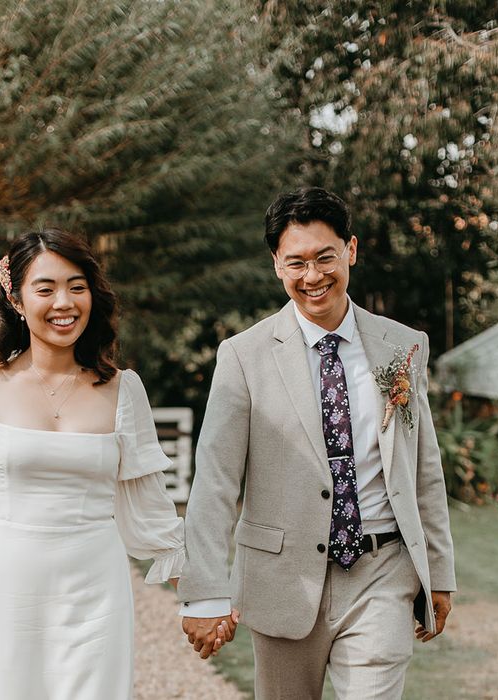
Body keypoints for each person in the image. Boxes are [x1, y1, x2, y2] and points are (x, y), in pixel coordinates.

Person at [177, 187, 456, 699]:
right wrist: (203, 593)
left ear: (350, 250)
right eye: (296, 262)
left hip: (383, 571)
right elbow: (215, 481)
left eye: (325, 257)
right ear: (276, 265)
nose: (313, 276)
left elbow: (424, 467)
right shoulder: (243, 357)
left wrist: (438, 571)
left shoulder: (403, 346)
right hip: (282, 579)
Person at [0, 229, 190, 699]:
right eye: (46, 289)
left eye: (76, 286)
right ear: (17, 299)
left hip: (97, 591)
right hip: (10, 586)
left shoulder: (124, 390)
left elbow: (153, 515)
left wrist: (201, 599)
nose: (64, 302)